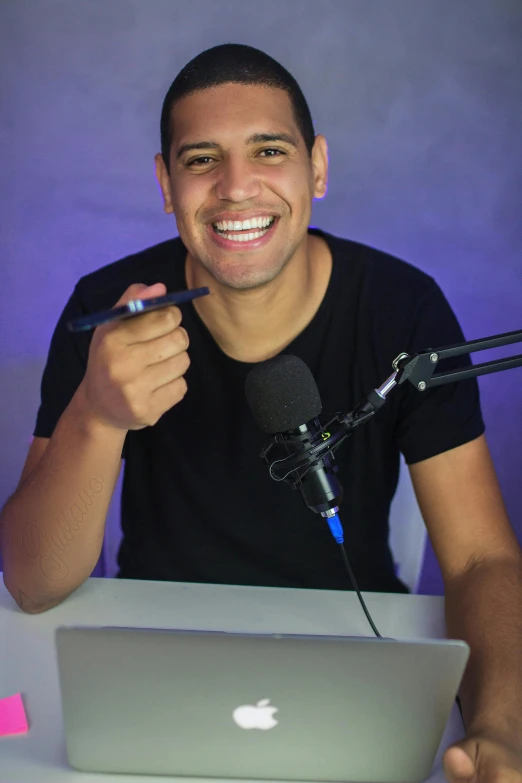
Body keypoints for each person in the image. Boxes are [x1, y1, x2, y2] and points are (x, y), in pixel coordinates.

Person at [1, 43, 521, 781]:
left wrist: (501, 727)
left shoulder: (404, 308)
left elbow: (479, 558)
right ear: (165, 182)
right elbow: (32, 580)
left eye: (268, 151)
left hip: (357, 663)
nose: (236, 189)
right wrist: (96, 414)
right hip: (154, 659)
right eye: (202, 159)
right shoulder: (109, 309)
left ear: (317, 167)